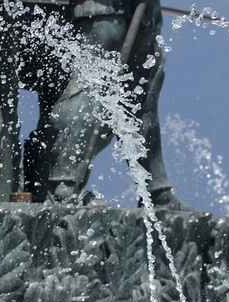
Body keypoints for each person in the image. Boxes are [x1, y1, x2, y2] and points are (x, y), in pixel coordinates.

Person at [22, 0, 191, 209]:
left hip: (146, 8)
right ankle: (63, 184)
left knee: (143, 94)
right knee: (91, 83)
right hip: (104, 7)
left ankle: (156, 189)